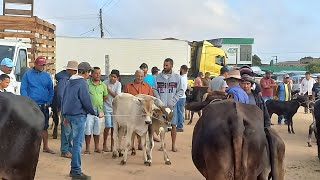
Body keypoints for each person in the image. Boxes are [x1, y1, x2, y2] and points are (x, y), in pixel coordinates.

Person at [62, 62, 103, 179]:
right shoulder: (82, 83)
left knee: (74, 143)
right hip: (78, 116)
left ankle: (74, 169)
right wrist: (95, 113)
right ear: (86, 72)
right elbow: (86, 102)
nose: (89, 75)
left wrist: (64, 115)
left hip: (69, 115)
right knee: (77, 144)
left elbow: (63, 99)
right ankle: (76, 171)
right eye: (89, 72)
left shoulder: (69, 81)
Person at [20, 57, 55, 154]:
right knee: (31, 126)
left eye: (44, 65)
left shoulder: (47, 76)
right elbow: (23, 89)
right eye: (41, 65)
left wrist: (49, 101)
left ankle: (46, 147)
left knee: (44, 126)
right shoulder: (27, 75)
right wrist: (28, 102)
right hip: (32, 105)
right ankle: (30, 147)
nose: (43, 67)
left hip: (44, 105)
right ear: (35, 64)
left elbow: (51, 90)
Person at [153, 58, 184, 152]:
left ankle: (173, 145)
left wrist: (173, 102)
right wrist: (160, 102)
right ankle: (162, 144)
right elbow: (154, 89)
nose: (165, 67)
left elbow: (180, 91)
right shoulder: (157, 77)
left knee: (173, 125)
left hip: (172, 106)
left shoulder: (177, 77)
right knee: (162, 125)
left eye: (167, 65)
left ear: (171, 66)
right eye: (164, 65)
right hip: (161, 106)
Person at [125, 69, 154, 149]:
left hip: (143, 113)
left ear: (144, 76)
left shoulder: (147, 86)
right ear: (135, 76)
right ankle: (132, 144)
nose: (140, 78)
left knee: (142, 128)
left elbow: (150, 98)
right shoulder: (128, 86)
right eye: (138, 76)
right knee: (131, 128)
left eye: (141, 76)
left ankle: (141, 143)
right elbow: (126, 99)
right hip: (132, 111)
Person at [55, 60, 78, 158]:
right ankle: (65, 150)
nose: (75, 73)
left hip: (69, 107)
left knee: (69, 129)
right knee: (66, 130)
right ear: (69, 70)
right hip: (66, 108)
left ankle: (68, 148)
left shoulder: (67, 78)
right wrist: (64, 107)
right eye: (74, 71)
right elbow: (60, 95)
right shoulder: (64, 80)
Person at [85, 67, 108, 154]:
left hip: (99, 111)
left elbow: (105, 97)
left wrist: (99, 103)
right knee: (88, 130)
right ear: (91, 74)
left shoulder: (103, 85)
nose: (98, 75)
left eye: (99, 73)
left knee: (97, 130)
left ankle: (97, 147)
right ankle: (87, 148)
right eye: (96, 73)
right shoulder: (87, 84)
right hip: (89, 111)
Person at [103, 69, 122, 152]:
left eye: (114, 77)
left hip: (115, 108)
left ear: (117, 78)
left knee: (114, 127)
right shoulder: (104, 82)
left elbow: (117, 96)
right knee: (107, 125)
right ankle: (104, 143)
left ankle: (112, 145)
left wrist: (109, 89)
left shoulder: (118, 84)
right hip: (106, 107)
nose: (112, 78)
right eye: (111, 76)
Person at [177, 65, 188, 132]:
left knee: (179, 112)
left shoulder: (182, 78)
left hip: (180, 97)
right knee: (180, 111)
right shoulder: (184, 77)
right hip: (182, 96)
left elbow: (180, 88)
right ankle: (179, 124)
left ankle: (180, 126)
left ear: (183, 70)